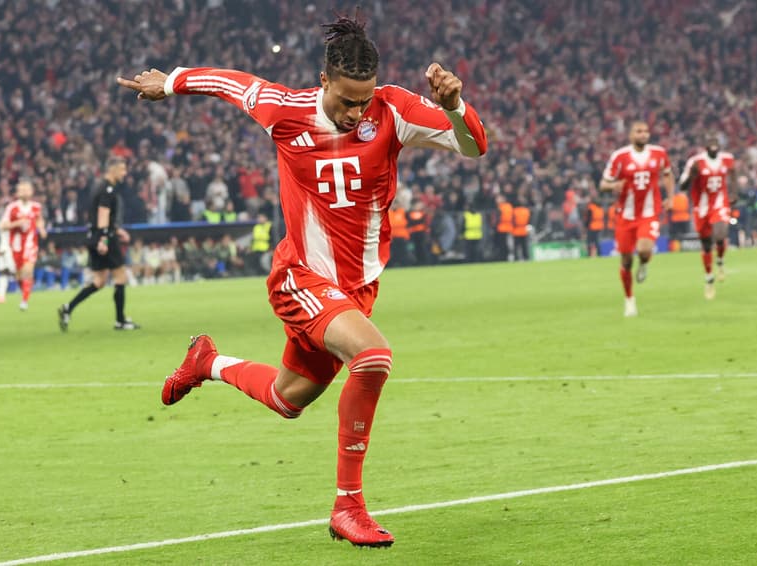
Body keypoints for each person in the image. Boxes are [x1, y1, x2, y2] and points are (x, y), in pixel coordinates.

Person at [116, 13, 487, 548]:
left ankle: (208, 362)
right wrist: (169, 81)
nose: (355, 111)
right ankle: (349, 508)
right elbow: (232, 82)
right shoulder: (285, 111)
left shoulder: (395, 109)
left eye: (363, 100)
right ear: (323, 82)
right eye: (345, 100)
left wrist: (454, 105)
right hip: (301, 277)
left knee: (289, 399)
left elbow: (475, 147)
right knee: (374, 358)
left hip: (356, 290)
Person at [599, 121, 674, 317]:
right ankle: (629, 299)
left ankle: (644, 263)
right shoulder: (620, 157)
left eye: (646, 131)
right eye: (639, 131)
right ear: (630, 135)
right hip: (625, 215)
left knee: (643, 249)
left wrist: (671, 197)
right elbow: (603, 183)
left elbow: (667, 174)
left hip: (649, 213)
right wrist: (613, 186)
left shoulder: (659, 153)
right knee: (625, 260)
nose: (643, 134)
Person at [58, 157, 140, 331]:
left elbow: (99, 218)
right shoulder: (107, 189)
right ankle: (120, 321)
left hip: (96, 235)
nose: (124, 173)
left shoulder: (98, 186)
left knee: (100, 281)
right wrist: (105, 239)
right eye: (122, 169)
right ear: (112, 169)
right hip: (105, 238)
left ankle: (68, 308)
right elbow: (103, 215)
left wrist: (117, 230)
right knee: (120, 277)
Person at [679, 134, 736, 300]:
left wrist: (733, 193)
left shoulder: (727, 159)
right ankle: (709, 278)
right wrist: (691, 175)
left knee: (720, 234)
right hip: (701, 207)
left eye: (716, 142)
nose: (713, 145)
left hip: (720, 203)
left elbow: (732, 174)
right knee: (705, 245)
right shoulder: (695, 162)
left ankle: (720, 261)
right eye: (710, 142)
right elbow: (682, 186)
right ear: (705, 146)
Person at [0, 178, 47, 310]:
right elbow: (2, 225)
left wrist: (41, 229)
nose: (24, 192)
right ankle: (25, 293)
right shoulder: (12, 208)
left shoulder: (36, 207)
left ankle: (24, 302)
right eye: (22, 189)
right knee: (19, 275)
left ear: (31, 191)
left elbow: (39, 220)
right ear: (18, 192)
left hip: (30, 244)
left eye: (26, 189)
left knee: (27, 271)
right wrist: (17, 224)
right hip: (16, 246)